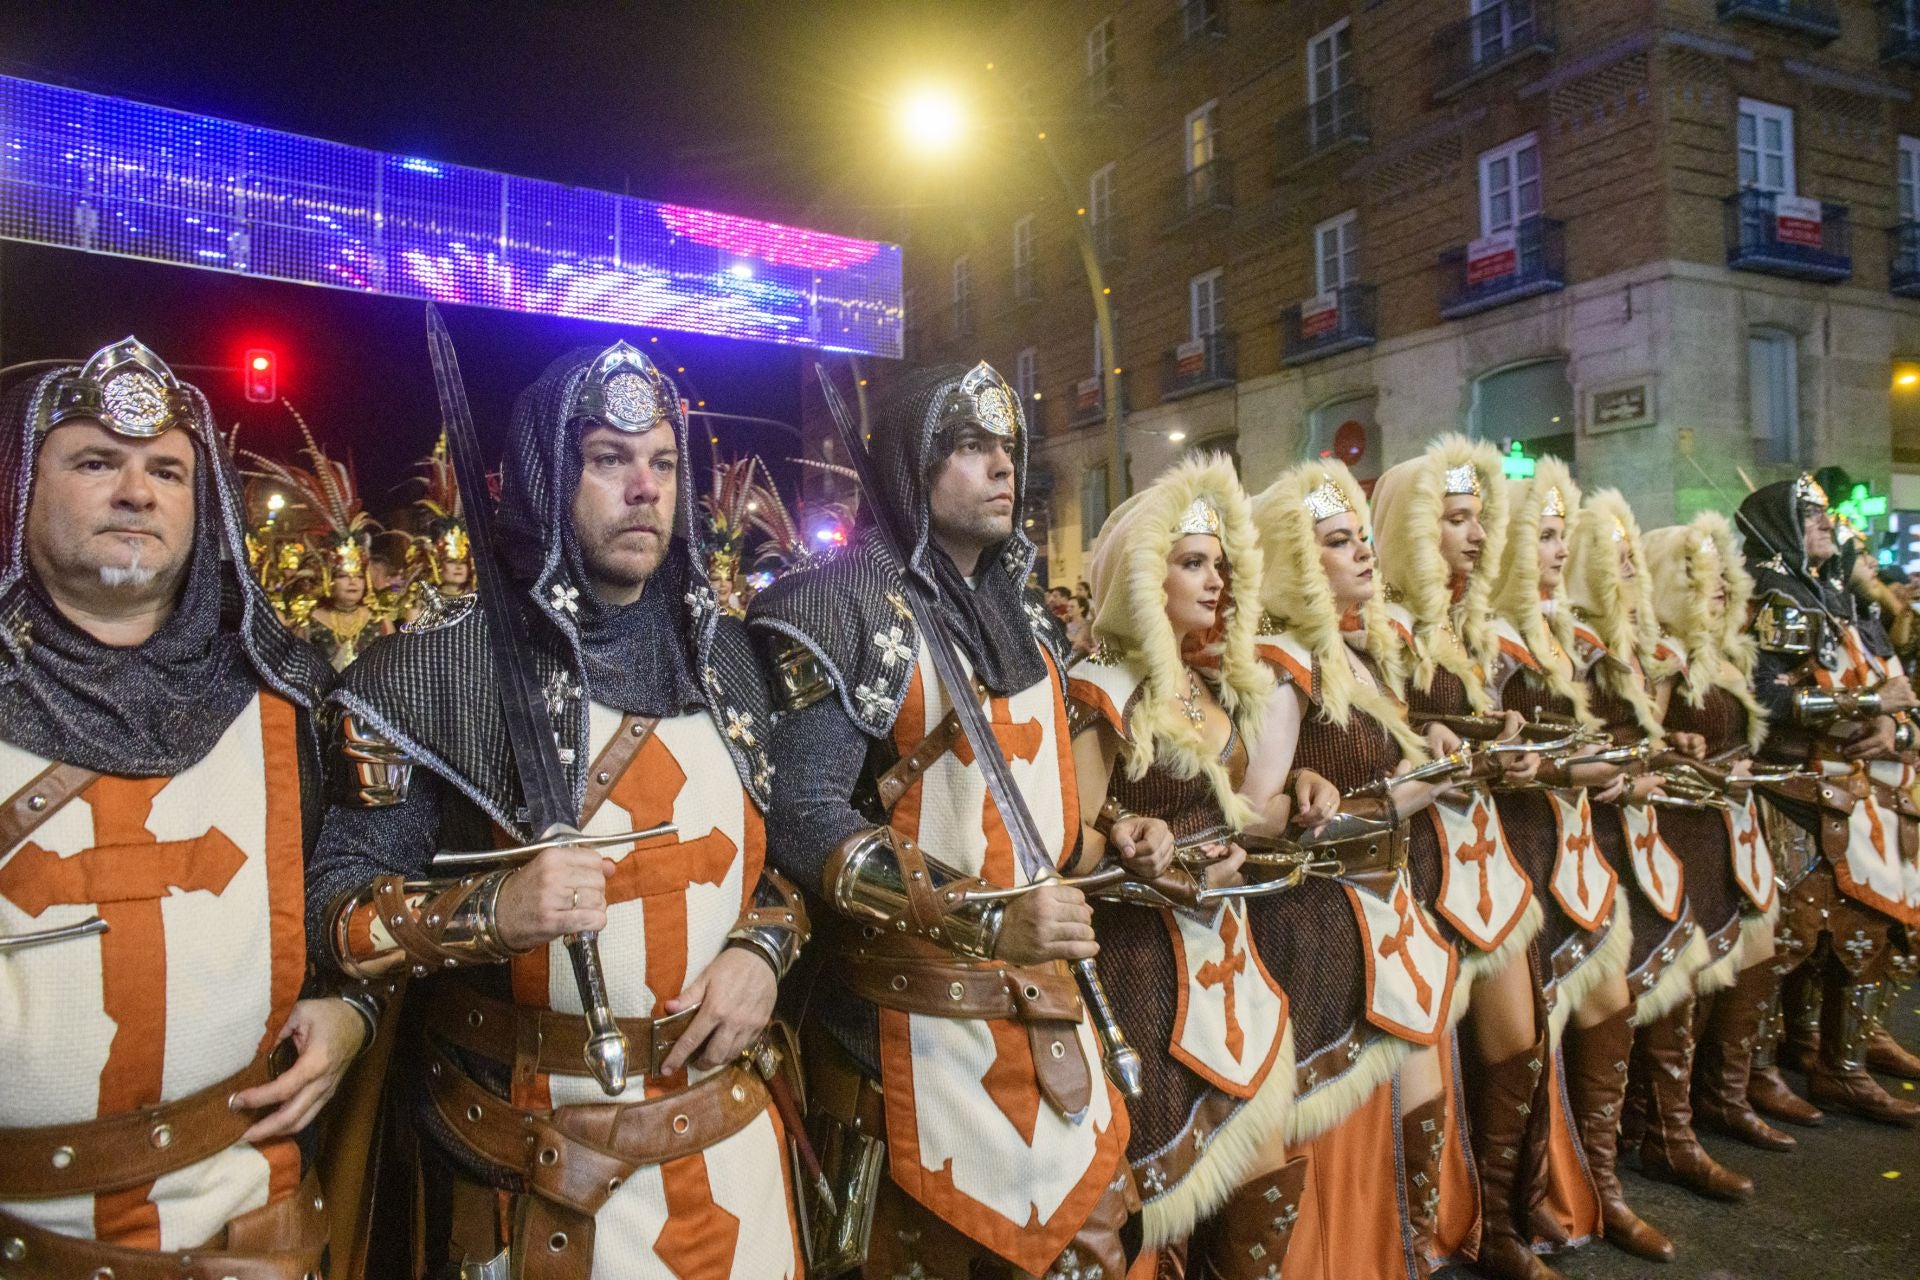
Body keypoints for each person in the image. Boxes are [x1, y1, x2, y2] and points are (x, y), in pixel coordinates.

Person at [307, 341, 806, 1277]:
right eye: (609, 459)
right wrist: (497, 913)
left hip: (729, 1147)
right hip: (523, 1155)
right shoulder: (431, 675)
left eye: (661, 462)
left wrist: (761, 950)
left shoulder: (728, 661)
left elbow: (770, 871)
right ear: (546, 471)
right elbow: (332, 914)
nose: (644, 488)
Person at [749, 361, 1169, 1278]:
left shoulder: (1026, 617)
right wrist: (984, 916)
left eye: (1007, 448)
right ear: (911, 465)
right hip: (905, 1025)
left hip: (1048, 1010)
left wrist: (1114, 832)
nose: (1002, 468)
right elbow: (803, 814)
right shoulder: (839, 605)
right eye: (971, 447)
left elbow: (1021, 812)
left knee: (1101, 1248)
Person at [0, 337, 368, 1275]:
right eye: (95, 462)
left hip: (252, 1224)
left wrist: (352, 1005)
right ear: (18, 489)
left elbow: (344, 888)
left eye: (166, 469)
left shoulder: (288, 704)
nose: (137, 493)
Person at [1066, 455, 1301, 1274]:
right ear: (1143, 571)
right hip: (1143, 975)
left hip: (1232, 960)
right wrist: (1127, 829)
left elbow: (1235, 807)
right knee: (1160, 1201)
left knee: (1263, 1183)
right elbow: (1070, 847)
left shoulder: (1209, 686)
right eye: (1193, 562)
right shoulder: (1099, 685)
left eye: (1220, 564)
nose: (1216, 580)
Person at [1245, 458, 1475, 1280]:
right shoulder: (1281, 668)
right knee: (1340, 1134)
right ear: (1302, 561)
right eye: (1341, 542)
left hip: (1389, 913)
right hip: (1316, 927)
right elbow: (1253, 821)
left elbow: (1384, 761)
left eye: (1363, 538)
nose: (1365, 555)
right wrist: (1409, 794)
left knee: (1416, 1109)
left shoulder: (1358, 654)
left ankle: (1408, 1261)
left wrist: (1431, 748)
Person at [1370, 438, 1563, 1279]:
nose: (1478, 533)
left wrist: (1511, 746)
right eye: (1455, 519)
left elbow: (1484, 728)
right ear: (1416, 528)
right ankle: (1432, 1238)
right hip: (1416, 859)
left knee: (1517, 1043)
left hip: (1486, 850)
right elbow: (1361, 746)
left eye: (1480, 517)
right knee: (1425, 1072)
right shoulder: (1381, 628)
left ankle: (1506, 1225)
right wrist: (1429, 742)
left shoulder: (1471, 626)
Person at [1484, 458, 1647, 1267]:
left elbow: (1592, 738)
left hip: (1573, 847)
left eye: (1561, 535)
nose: (1556, 548)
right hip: (1509, 851)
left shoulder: (1564, 633)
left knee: (1608, 1009)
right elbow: (1491, 754)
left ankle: (1600, 1190)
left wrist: (1606, 761)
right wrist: (1563, 766)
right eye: (1541, 534)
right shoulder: (1488, 634)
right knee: (1522, 1042)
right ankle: (1510, 1214)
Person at [1741, 475, 1920, 1126]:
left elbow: (1875, 687)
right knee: (1786, 940)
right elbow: (1769, 700)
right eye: (1809, 513)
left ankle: (1834, 1062)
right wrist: (1871, 704)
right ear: (1781, 522)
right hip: (1789, 784)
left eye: (1824, 513)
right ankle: (1755, 1075)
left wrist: (1889, 722)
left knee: (1855, 931)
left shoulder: (1821, 593)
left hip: (1844, 781)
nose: (1825, 523)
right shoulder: (1773, 592)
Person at [1643, 512, 1797, 1156]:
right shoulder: (1662, 656)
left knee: (1756, 950)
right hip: (1681, 827)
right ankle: (1668, 1130)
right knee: (1685, 972)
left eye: (1724, 574)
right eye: (1702, 576)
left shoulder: (1726, 653)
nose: (1723, 588)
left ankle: (1724, 1096)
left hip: (1731, 823)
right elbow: (1639, 746)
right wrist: (1687, 759)